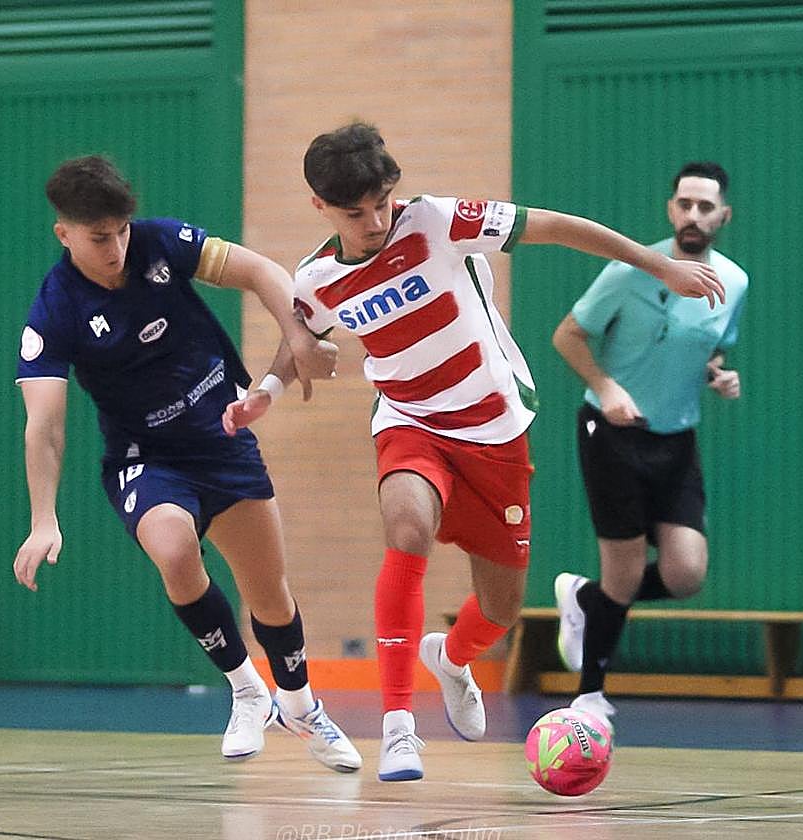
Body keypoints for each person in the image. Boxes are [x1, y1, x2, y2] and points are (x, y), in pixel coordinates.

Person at [222, 123, 725, 782]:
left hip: (493, 428)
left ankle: (452, 658)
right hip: (408, 420)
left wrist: (660, 265)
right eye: (355, 213)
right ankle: (399, 728)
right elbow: (301, 341)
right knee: (407, 530)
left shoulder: (437, 220)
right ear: (320, 206)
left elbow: (557, 226)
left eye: (382, 203)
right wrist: (265, 393)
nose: (374, 222)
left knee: (501, 610)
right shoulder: (317, 279)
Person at [12, 154, 362, 773]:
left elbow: (263, 271)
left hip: (222, 438)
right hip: (145, 458)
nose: (117, 247)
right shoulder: (55, 308)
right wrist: (44, 519)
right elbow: (45, 426)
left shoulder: (162, 242)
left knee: (269, 596)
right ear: (64, 233)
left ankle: (301, 706)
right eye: (100, 237)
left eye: (122, 230)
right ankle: (246, 690)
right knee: (175, 552)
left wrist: (299, 339)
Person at [550, 161, 748, 732]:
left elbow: (709, 348)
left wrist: (717, 375)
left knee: (686, 574)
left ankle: (586, 599)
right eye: (685, 204)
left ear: (723, 216)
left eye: (705, 207)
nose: (693, 215)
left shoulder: (734, 282)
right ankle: (589, 696)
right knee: (626, 570)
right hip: (612, 433)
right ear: (670, 209)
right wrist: (606, 387)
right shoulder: (630, 271)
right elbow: (567, 335)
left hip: (676, 438)